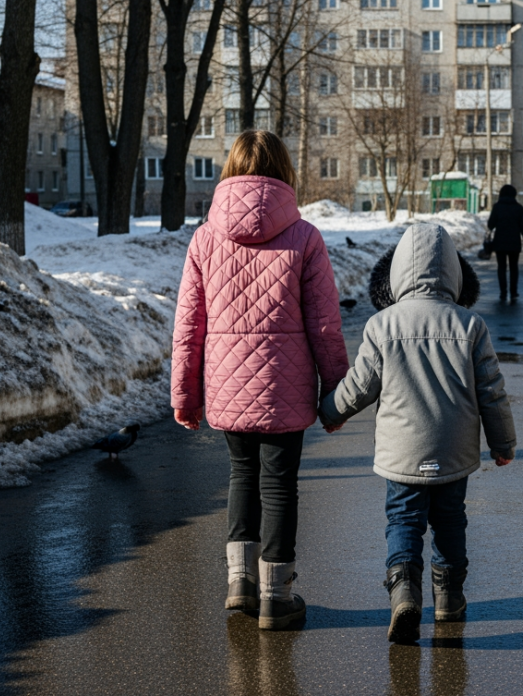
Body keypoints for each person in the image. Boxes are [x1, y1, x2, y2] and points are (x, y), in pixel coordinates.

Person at [171, 130, 349, 631]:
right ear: (284, 170)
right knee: (280, 486)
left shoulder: (205, 238)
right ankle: (276, 597)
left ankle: (239, 585)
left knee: (241, 477)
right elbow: (325, 326)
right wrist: (336, 398)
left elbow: (189, 326)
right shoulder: (306, 237)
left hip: (227, 389)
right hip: (285, 392)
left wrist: (185, 395)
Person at [318, 223, 518, 644]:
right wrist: (503, 444)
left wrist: (330, 412)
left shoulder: (382, 325)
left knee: (404, 519)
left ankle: (404, 592)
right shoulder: (470, 325)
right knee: (450, 521)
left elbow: (360, 386)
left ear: (397, 274)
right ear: (454, 274)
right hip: (454, 450)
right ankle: (448, 599)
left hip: (402, 452)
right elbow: (492, 391)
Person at [485, 184, 523, 303]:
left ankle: (503, 292)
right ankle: (513, 292)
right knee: (513, 268)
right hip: (514, 243)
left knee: (501, 268)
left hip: (499, 243)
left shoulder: (497, 207)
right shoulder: (519, 208)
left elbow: (490, 225)